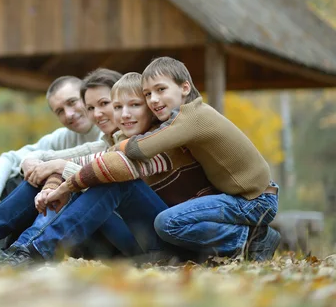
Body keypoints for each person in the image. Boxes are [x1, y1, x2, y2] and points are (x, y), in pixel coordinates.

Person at [36, 57, 280, 264]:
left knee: (168, 222)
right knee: (166, 221)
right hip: (242, 196)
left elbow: (141, 148)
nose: (153, 99)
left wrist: (116, 143)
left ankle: (248, 240)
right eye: (148, 94)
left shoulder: (191, 117)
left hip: (254, 200)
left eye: (160, 90)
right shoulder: (183, 118)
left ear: (185, 88)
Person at [0, 71, 215, 267]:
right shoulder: (117, 140)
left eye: (131, 105)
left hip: (178, 243)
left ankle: (30, 251)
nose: (123, 114)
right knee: (70, 177)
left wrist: (63, 176)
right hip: (140, 240)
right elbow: (64, 158)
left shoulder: (163, 136)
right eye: (118, 107)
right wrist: (46, 169)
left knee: (111, 180)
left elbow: (112, 167)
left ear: (148, 106)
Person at [0, 69, 137, 264]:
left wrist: (54, 174)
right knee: (29, 177)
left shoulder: (129, 136)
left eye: (105, 104)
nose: (95, 113)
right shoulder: (98, 138)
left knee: (57, 178)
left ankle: (7, 251)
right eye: (60, 110)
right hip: (85, 226)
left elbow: (100, 169)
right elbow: (19, 158)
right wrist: (1, 187)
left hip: (118, 230)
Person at [0, 75, 101, 220]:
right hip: (66, 214)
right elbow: (9, 158)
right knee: (22, 179)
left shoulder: (111, 130)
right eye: (60, 111)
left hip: (103, 213)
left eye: (72, 102)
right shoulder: (63, 137)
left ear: (87, 96)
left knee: (50, 180)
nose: (69, 114)